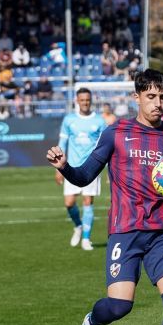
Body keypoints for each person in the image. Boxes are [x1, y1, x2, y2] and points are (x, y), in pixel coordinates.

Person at [46, 69, 163, 325]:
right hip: (125, 232)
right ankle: (89, 324)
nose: (158, 103)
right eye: (151, 97)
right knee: (119, 306)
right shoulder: (117, 133)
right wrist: (65, 167)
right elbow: (85, 176)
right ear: (137, 97)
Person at [57, 88, 107, 251]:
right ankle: (78, 226)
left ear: (90, 100)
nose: (85, 102)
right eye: (82, 100)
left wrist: (107, 167)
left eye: (87, 100)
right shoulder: (69, 120)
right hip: (71, 166)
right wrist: (58, 168)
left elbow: (105, 145)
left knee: (88, 201)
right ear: (77, 101)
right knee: (69, 203)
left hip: (92, 167)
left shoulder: (99, 121)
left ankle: (86, 238)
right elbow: (62, 143)